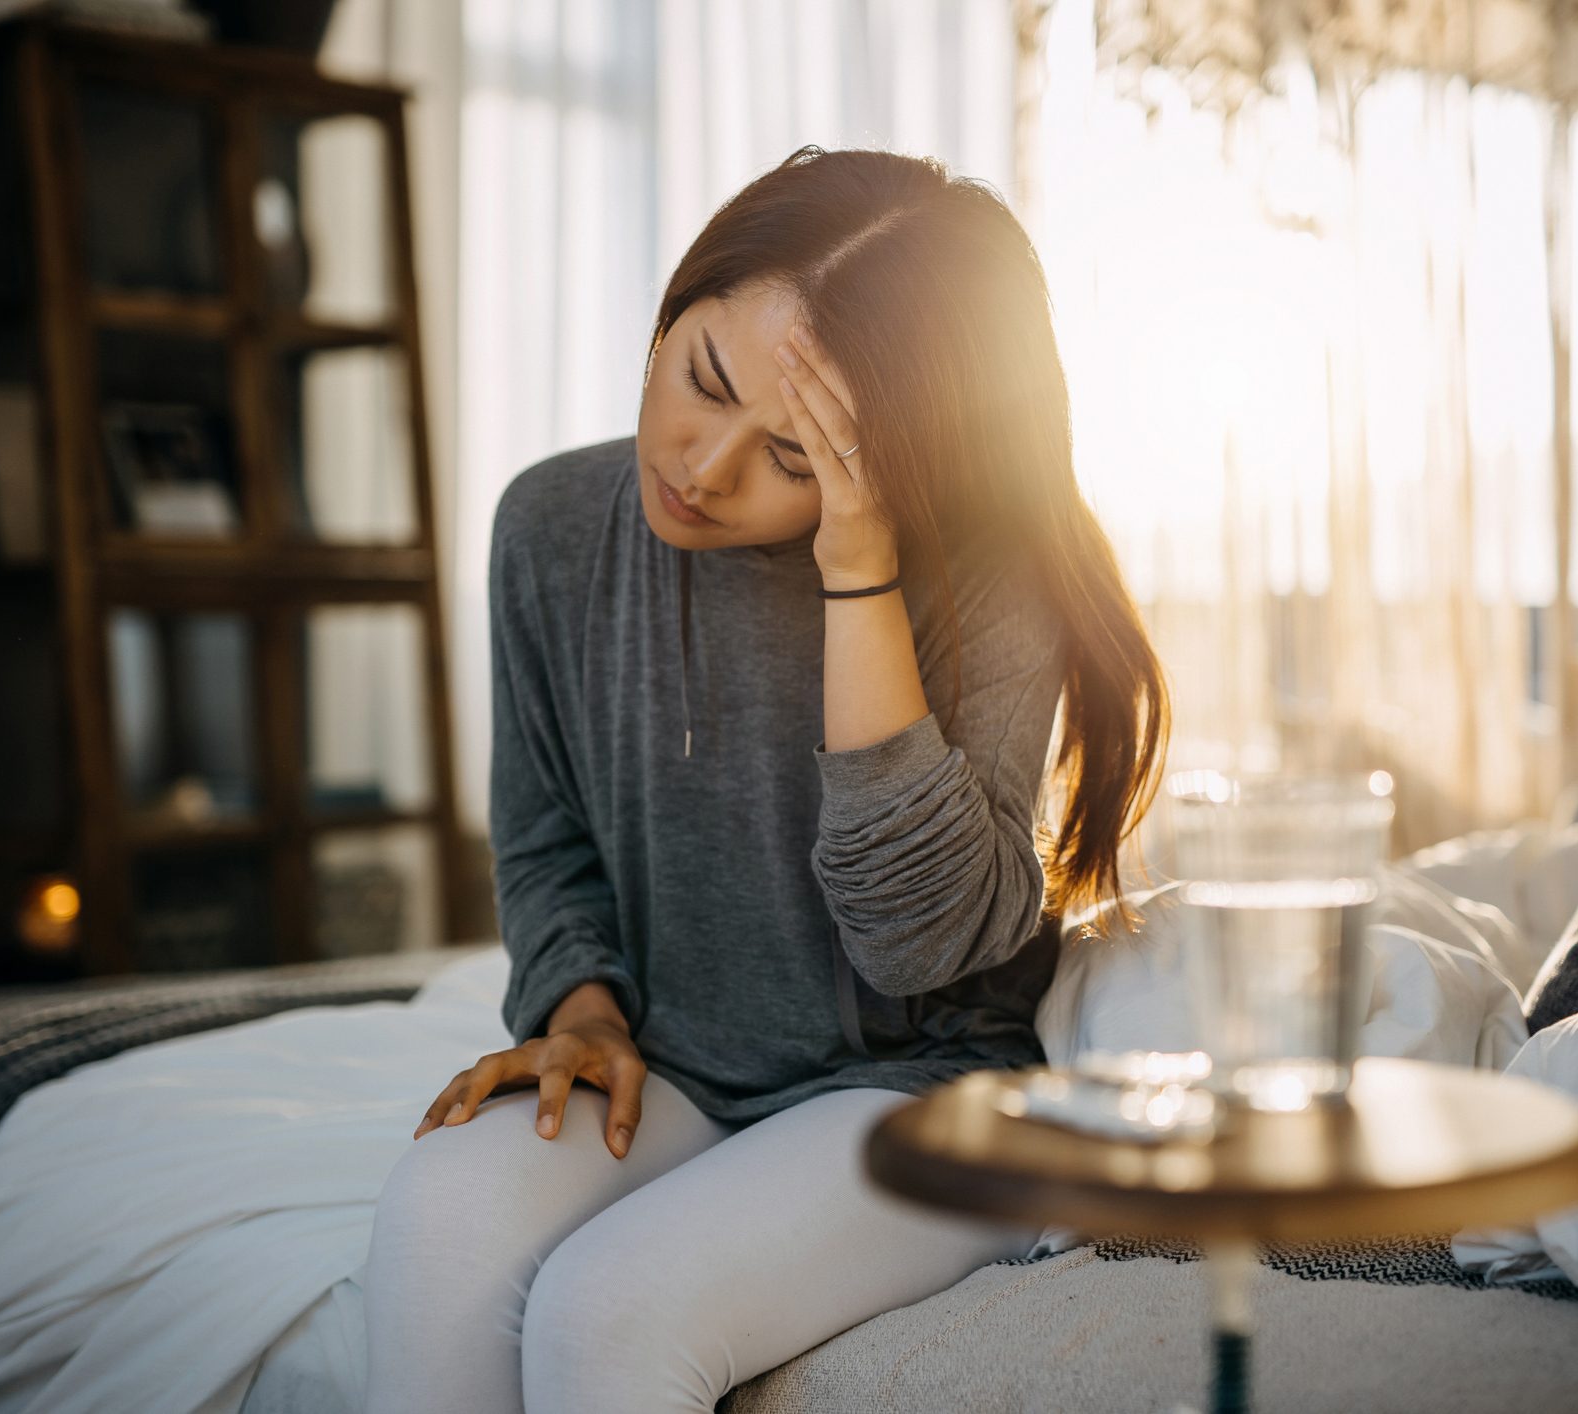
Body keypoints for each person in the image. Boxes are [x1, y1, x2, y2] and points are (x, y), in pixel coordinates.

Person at [361, 145, 1170, 1413]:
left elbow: (917, 945)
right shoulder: (549, 527)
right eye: (704, 378)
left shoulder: (989, 581)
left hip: (926, 1090)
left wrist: (861, 574)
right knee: (439, 1216)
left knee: (603, 1313)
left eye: (797, 459)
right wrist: (580, 1014)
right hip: (674, 1068)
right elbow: (546, 842)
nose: (704, 464)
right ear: (679, 302)